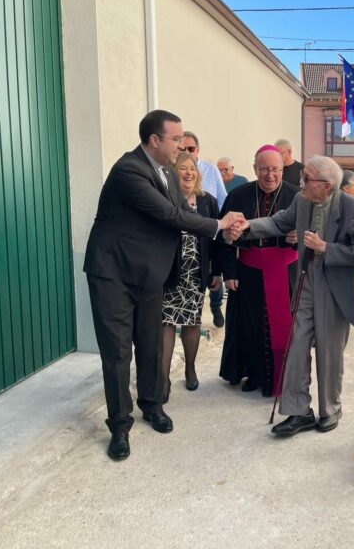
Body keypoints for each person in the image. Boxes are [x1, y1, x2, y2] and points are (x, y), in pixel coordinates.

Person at [84, 109, 243, 461]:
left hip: (150, 274)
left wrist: (220, 229)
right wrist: (218, 224)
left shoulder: (167, 174)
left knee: (152, 345)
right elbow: (170, 216)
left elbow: (182, 214)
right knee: (118, 352)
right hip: (114, 273)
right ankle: (120, 425)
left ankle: (152, 405)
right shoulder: (129, 171)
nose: (182, 145)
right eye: (176, 139)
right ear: (154, 140)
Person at [237, 156, 354, 435]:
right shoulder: (301, 201)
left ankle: (330, 408)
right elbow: (277, 222)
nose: (300, 182)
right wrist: (247, 226)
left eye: (306, 178)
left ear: (325, 185)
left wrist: (325, 247)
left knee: (329, 351)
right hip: (306, 281)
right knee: (296, 345)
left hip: (336, 287)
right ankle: (299, 411)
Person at [218, 145, 299, 396]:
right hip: (249, 270)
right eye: (264, 169)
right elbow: (224, 236)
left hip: (286, 270)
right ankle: (254, 375)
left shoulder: (297, 196)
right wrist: (229, 272)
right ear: (255, 169)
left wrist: (300, 237)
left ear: (283, 169)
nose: (270, 175)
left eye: (275, 169)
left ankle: (285, 377)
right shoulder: (239, 195)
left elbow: (316, 232)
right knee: (250, 324)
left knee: (287, 326)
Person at [160, 151, 220, 403]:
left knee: (192, 322)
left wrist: (216, 270)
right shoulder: (164, 198)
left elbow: (216, 238)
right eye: (182, 168)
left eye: (192, 168)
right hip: (168, 271)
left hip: (196, 271)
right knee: (166, 323)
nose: (188, 173)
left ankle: (190, 367)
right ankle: (163, 379)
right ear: (173, 173)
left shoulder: (207, 201)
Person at [182, 132, 227, 327]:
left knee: (214, 277)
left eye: (190, 148)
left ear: (197, 150)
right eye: (182, 148)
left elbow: (221, 200)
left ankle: (216, 307)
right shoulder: (170, 173)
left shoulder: (210, 170)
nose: (186, 152)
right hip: (184, 245)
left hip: (208, 234)